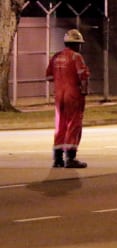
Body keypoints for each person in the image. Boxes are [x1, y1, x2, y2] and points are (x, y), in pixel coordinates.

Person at [45, 28, 91, 168]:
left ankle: (57, 158)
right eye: (79, 44)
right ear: (76, 44)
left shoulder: (56, 57)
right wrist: (84, 90)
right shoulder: (76, 57)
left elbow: (49, 76)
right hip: (73, 96)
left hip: (59, 96)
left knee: (60, 125)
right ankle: (70, 158)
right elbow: (83, 76)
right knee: (74, 125)